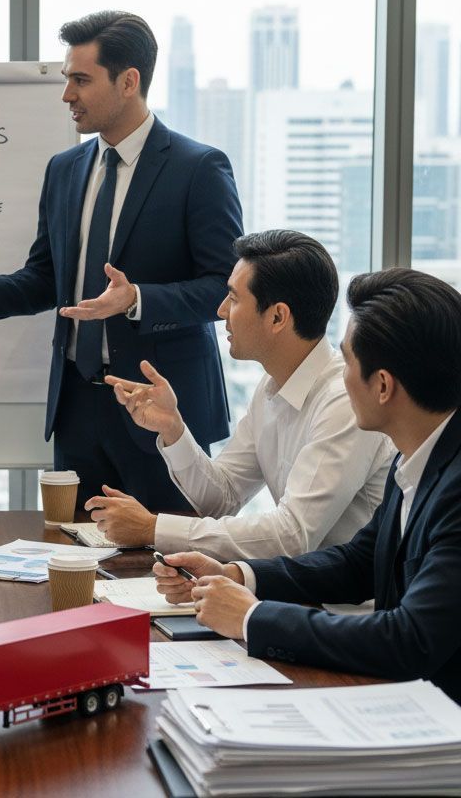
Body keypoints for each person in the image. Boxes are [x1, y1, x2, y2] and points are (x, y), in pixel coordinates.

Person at [0, 10, 241, 511]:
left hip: (160, 407)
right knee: (74, 564)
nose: (67, 94)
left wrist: (136, 299)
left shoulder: (198, 167)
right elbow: (50, 277)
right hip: (76, 407)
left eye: (80, 80)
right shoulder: (65, 169)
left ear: (129, 81)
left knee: (165, 571)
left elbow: (225, 287)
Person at [155, 268, 461, 701]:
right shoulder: (416, 456)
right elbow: (360, 563)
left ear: (384, 386)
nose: (342, 376)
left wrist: (253, 618)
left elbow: (410, 639)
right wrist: (239, 575)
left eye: (349, 362)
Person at [90, 230, 394, 559]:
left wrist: (152, 528)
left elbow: (292, 535)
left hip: (344, 606)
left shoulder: (342, 403)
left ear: (278, 316)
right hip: (297, 591)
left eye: (234, 299)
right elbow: (223, 498)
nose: (221, 311)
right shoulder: (270, 387)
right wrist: (173, 430)